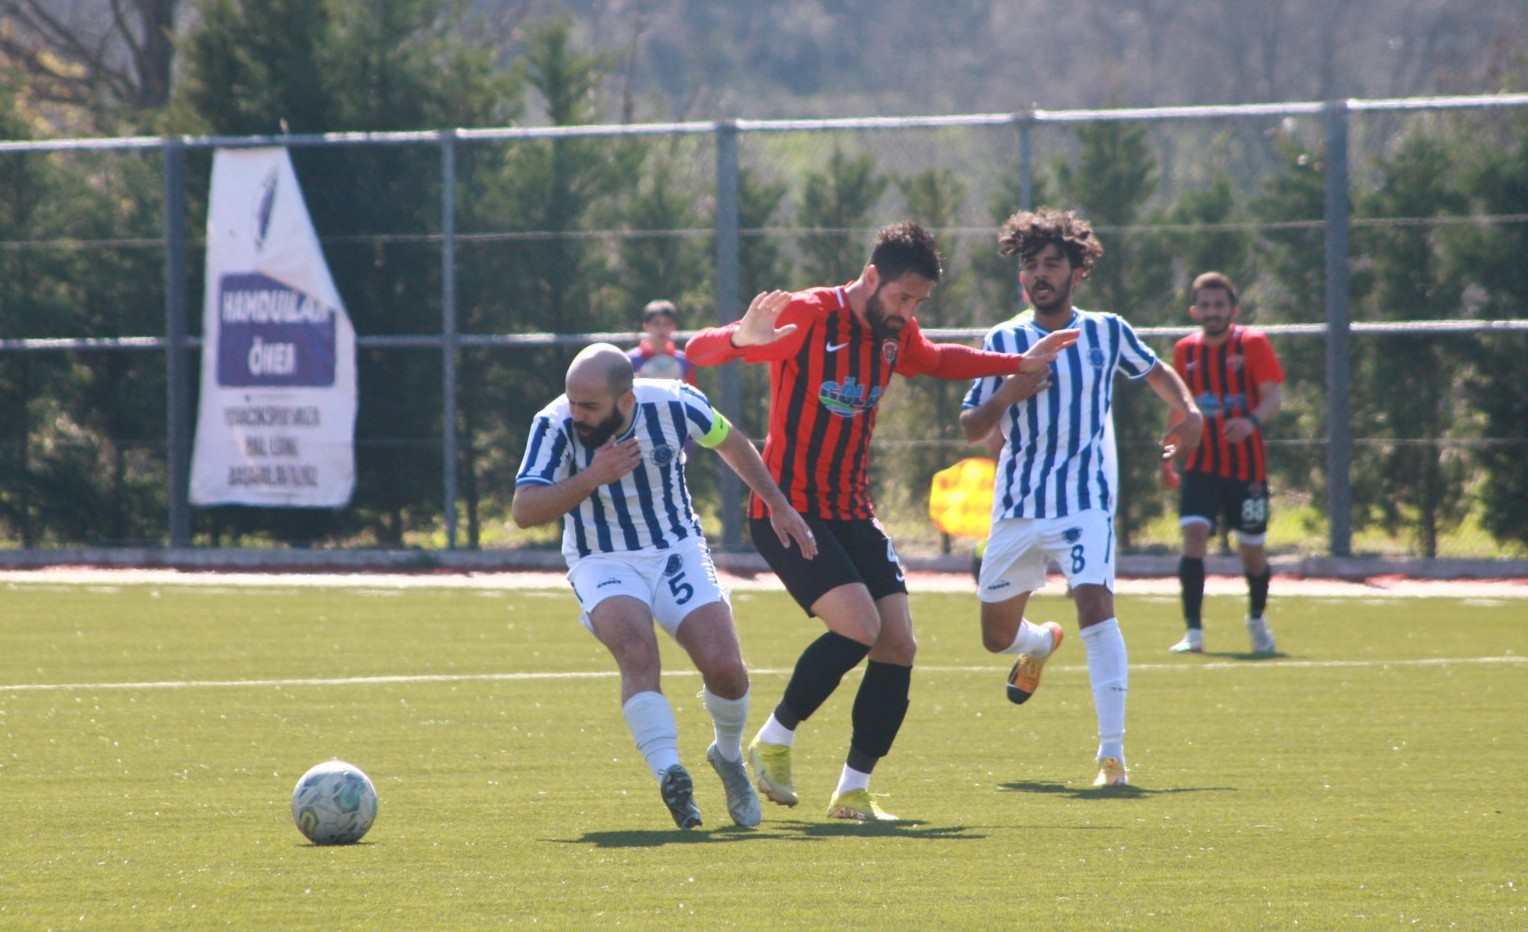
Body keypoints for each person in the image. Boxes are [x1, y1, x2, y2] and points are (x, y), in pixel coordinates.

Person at [685, 221, 1077, 821]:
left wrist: (1013, 362)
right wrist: (740, 336)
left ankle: (853, 791)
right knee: (860, 627)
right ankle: (773, 739)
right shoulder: (811, 314)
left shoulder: (895, 332)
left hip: (851, 509)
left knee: (898, 644)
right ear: (871, 277)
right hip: (788, 508)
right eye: (901, 298)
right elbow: (697, 353)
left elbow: (937, 359)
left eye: (918, 302)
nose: (907, 311)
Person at [511, 343, 817, 830]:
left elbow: (731, 441)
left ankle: (728, 757)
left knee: (726, 669)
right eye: (572, 401)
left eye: (590, 406)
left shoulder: (676, 402)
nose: (578, 414)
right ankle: (671, 773)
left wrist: (777, 503)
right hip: (601, 556)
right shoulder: (552, 424)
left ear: (626, 400)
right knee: (636, 649)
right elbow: (524, 510)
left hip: (676, 548)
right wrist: (592, 476)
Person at [958, 206, 1203, 788]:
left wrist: (1188, 410)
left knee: (1096, 607)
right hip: (1017, 505)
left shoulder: (1107, 329)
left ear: (1078, 272)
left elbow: (1155, 371)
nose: (1040, 274)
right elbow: (971, 424)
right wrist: (1008, 392)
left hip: (1085, 502)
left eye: (1052, 264)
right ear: (1021, 277)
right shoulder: (1003, 338)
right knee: (996, 638)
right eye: (1030, 266)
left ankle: (1111, 757)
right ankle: (1040, 643)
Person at [1160, 272, 1285, 655]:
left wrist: (1249, 422)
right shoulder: (1186, 351)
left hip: (1246, 470)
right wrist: (1169, 455)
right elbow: (1178, 405)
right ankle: (1194, 631)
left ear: (1234, 309)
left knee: (1252, 550)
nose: (1213, 312)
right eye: (1206, 305)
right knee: (1194, 537)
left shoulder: (1252, 343)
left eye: (1220, 305)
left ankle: (1256, 618)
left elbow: (1273, 397)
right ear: (1194, 310)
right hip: (1200, 465)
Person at [627, 299, 697, 384]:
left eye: (667, 323)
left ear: (674, 326)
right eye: (656, 324)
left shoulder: (683, 361)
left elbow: (692, 394)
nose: (662, 329)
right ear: (646, 326)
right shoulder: (630, 360)